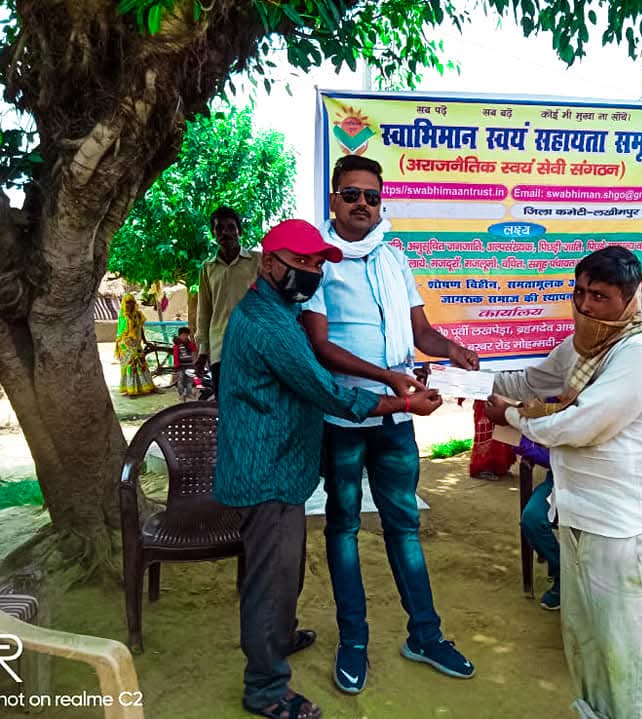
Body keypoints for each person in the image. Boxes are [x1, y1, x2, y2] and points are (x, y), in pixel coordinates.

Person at [214, 218, 443, 719]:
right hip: (265, 471)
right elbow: (329, 393)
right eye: (302, 263)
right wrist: (399, 402)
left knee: (285, 568)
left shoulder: (276, 310)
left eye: (318, 263)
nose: (313, 272)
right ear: (268, 263)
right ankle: (266, 688)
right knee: (270, 578)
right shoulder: (270, 326)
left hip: (278, 466)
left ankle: (279, 635)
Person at [300, 155, 478, 694]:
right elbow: (320, 345)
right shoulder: (320, 264)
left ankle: (425, 634)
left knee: (404, 524)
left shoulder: (395, 259)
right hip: (346, 415)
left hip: (399, 418)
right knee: (345, 526)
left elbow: (422, 332)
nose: (362, 204)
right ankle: (353, 640)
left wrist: (454, 350)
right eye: (351, 194)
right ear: (333, 199)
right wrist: (389, 380)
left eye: (371, 197)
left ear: (382, 203)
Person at [485, 246, 642, 719]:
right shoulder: (584, 344)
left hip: (616, 525)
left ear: (629, 299)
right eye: (580, 292)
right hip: (574, 513)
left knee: (622, 654)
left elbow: (581, 424)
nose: (585, 305)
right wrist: (470, 377)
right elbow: (532, 380)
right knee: (586, 644)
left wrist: (508, 417)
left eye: (600, 296)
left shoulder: (640, 352)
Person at [195, 206, 260, 397]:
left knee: (254, 402)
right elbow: (204, 312)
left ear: (239, 231)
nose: (225, 232)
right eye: (219, 228)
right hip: (220, 349)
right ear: (213, 233)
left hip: (252, 346)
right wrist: (203, 352)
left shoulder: (258, 261)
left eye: (231, 227)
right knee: (225, 404)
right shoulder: (208, 268)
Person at [514, 437, 560, 610]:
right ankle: (562, 574)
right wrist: (523, 443)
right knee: (532, 518)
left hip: (602, 486)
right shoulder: (556, 411)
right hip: (559, 481)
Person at [115, 293, 157, 396]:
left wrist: (145, 340)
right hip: (126, 345)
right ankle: (131, 390)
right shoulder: (123, 316)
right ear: (124, 304)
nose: (130, 304)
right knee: (131, 366)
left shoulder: (138, 314)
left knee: (142, 364)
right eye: (127, 302)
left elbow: (140, 329)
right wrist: (127, 344)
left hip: (137, 344)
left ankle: (146, 387)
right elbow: (121, 333)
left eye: (131, 302)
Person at [172, 326, 197, 401]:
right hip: (181, 367)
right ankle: (181, 394)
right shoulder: (177, 346)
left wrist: (194, 363)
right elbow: (176, 356)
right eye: (183, 335)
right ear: (179, 336)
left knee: (189, 381)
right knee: (180, 381)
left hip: (190, 366)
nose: (185, 337)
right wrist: (176, 366)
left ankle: (189, 394)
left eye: (186, 335)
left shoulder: (190, 344)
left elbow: (194, 351)